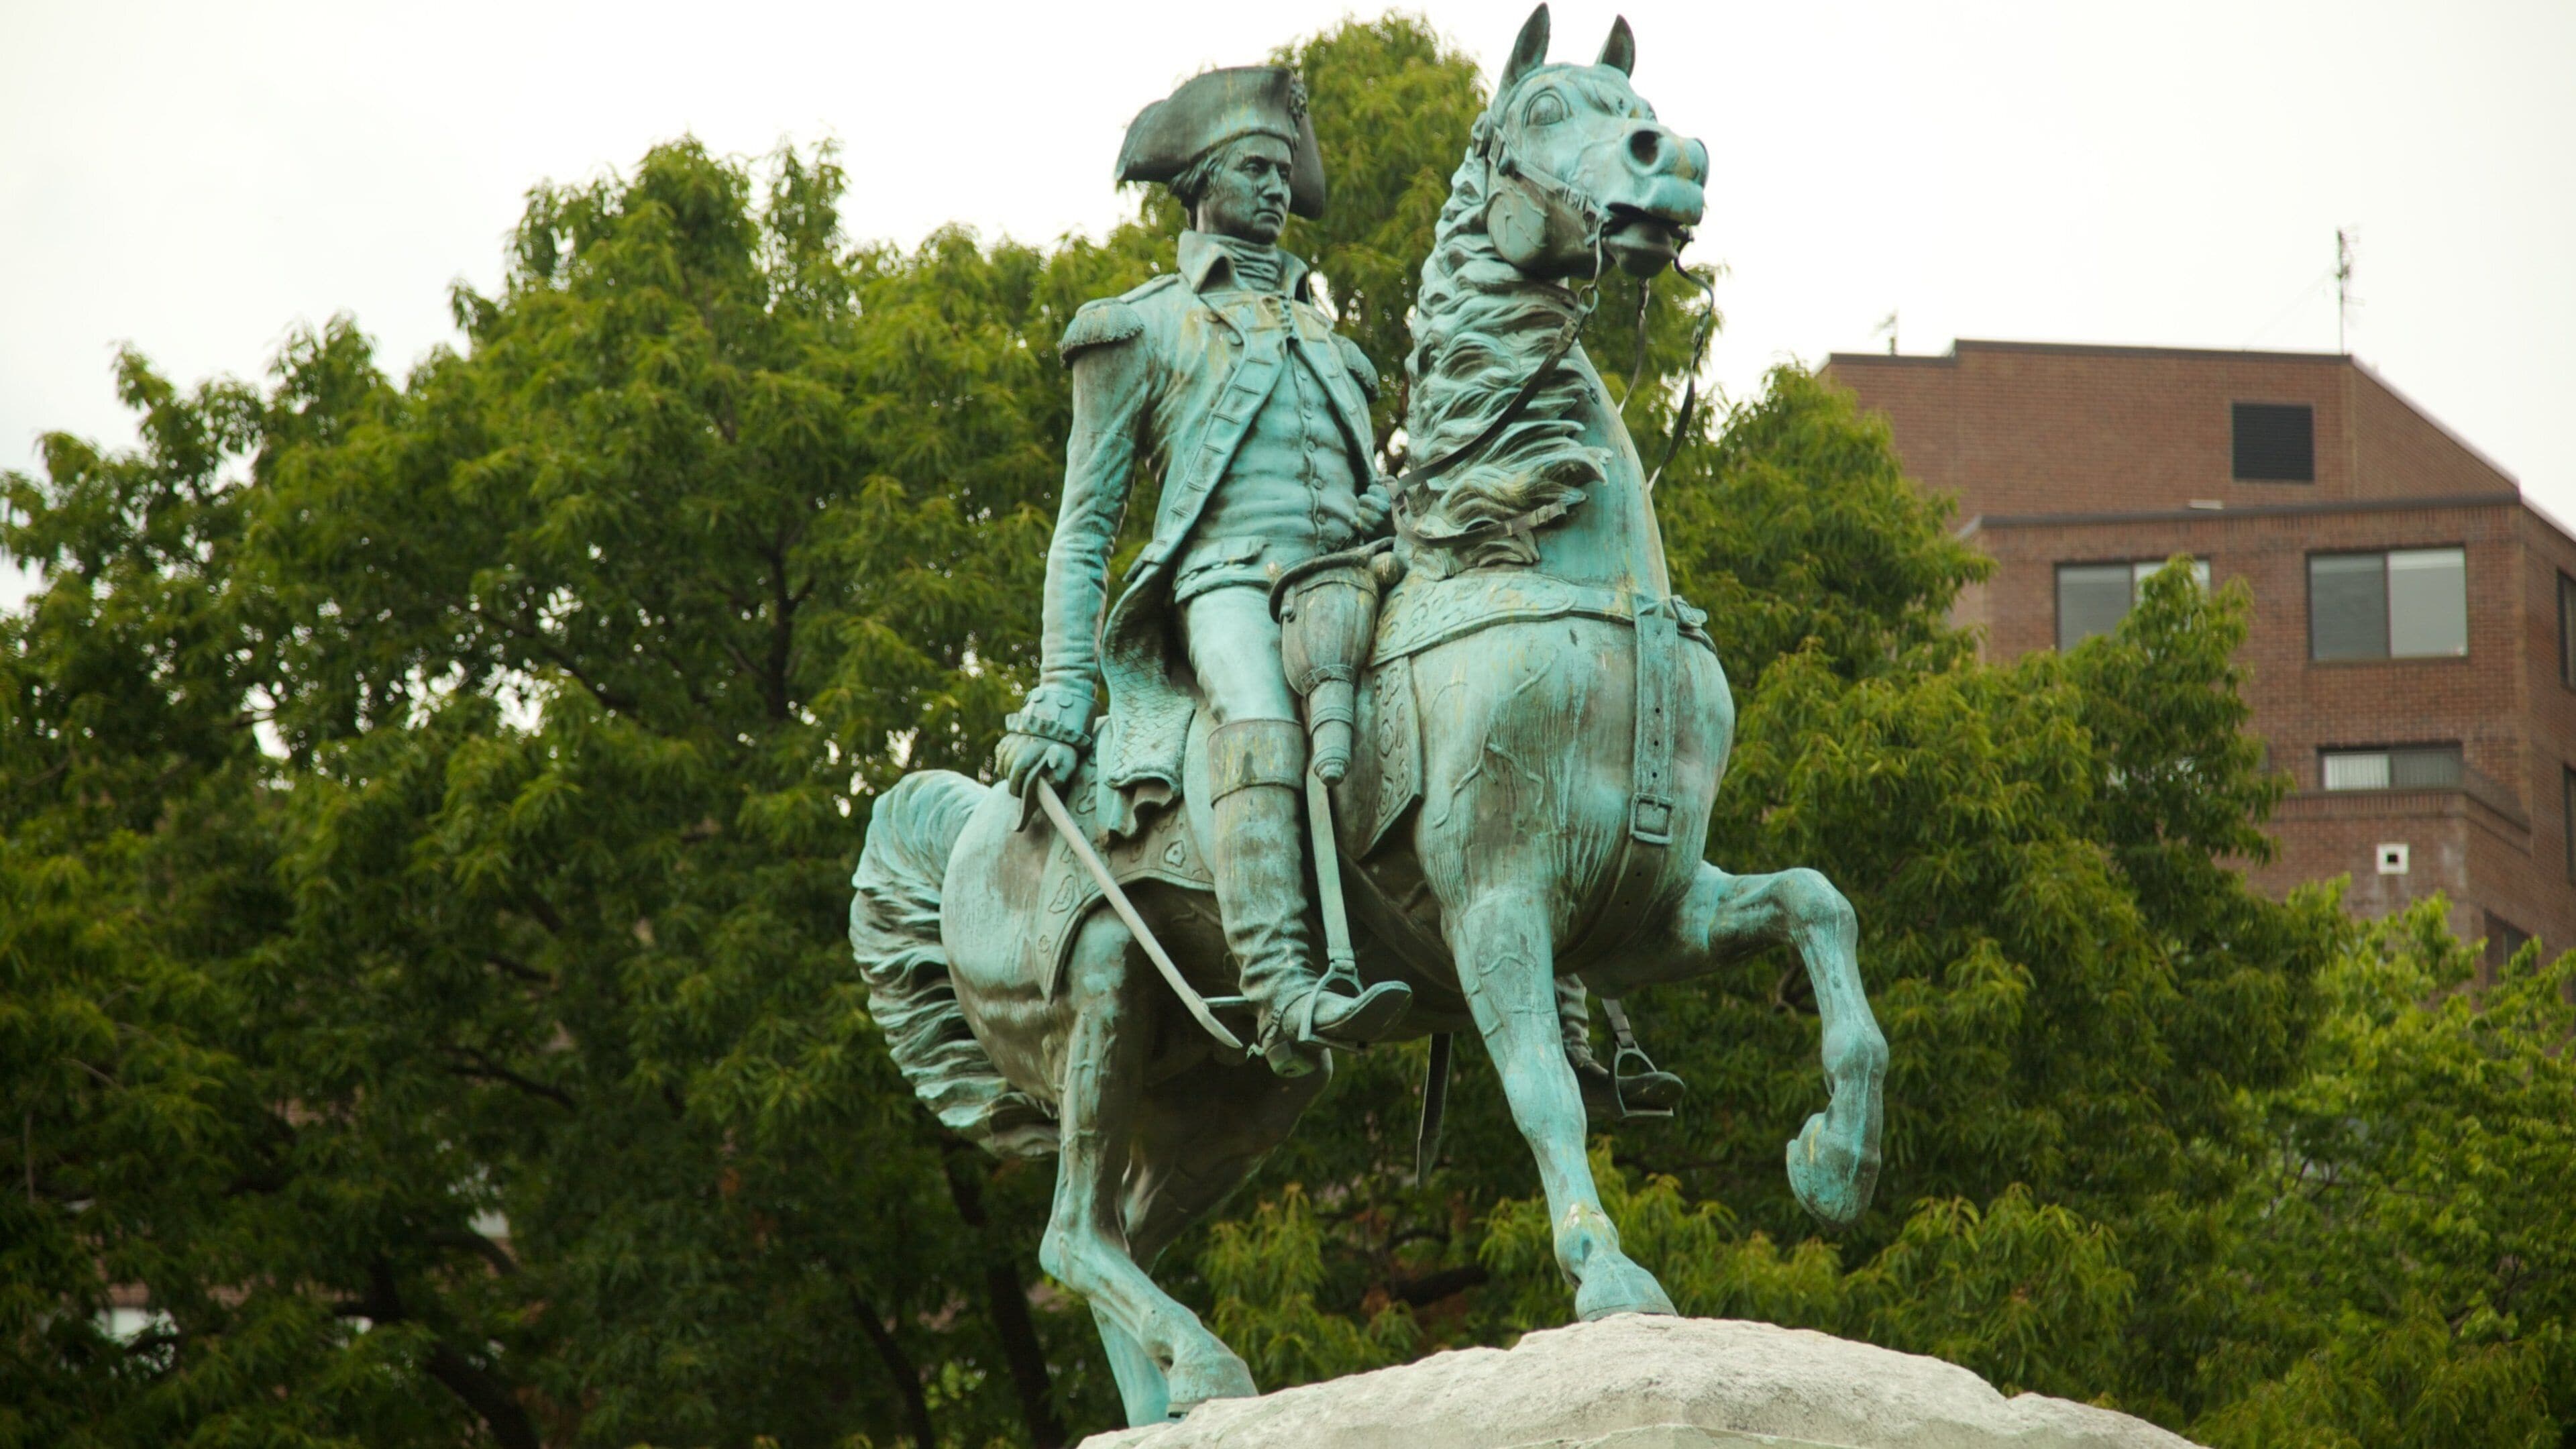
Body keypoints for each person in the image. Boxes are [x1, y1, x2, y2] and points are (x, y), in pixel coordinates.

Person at [995, 67, 1411, 1076]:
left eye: (1283, 171)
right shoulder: (1135, 328)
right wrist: (1060, 692)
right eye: (1254, 170)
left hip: (1357, 580)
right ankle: (1281, 990)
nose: (1275, 189)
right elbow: (1084, 527)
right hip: (1228, 585)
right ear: (1201, 184)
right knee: (1259, 720)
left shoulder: (1336, 348)